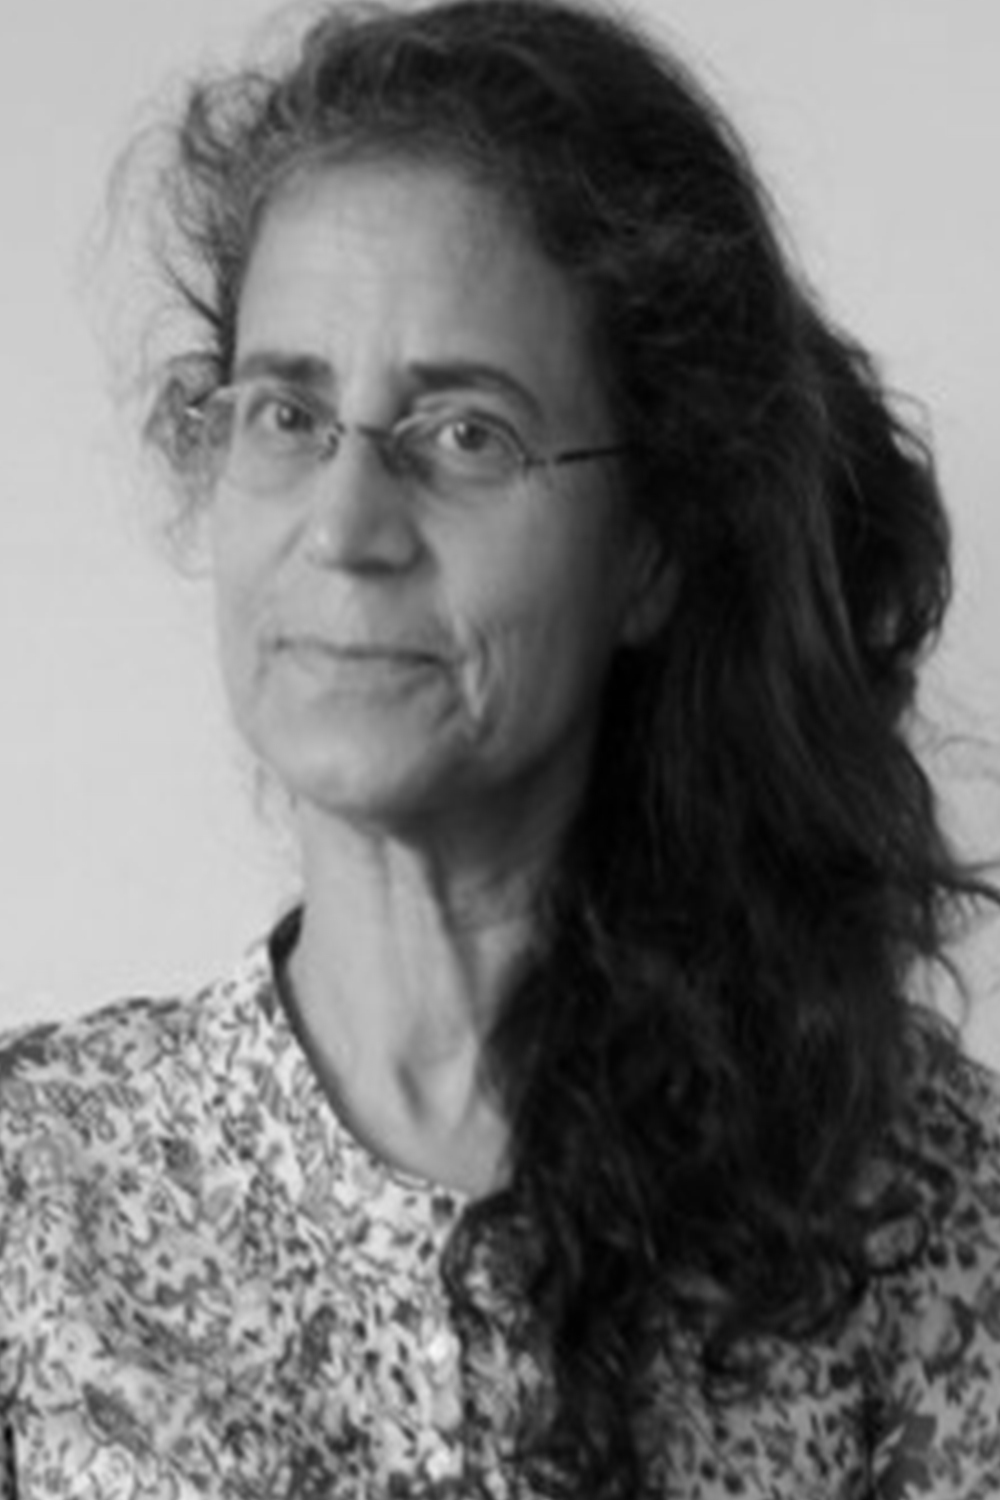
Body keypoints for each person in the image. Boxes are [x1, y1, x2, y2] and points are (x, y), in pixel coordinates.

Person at [1, 0, 999, 1494]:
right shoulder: (35, 1192)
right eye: (286, 413)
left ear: (653, 544)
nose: (345, 527)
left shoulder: (930, 1211)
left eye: (467, 433)